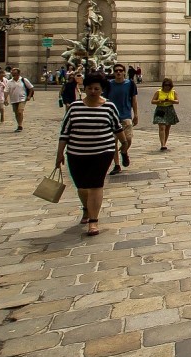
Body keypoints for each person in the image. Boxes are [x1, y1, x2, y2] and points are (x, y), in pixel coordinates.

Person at [56, 73, 125, 236]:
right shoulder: (74, 107)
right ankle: (86, 208)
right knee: (81, 186)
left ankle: (93, 221)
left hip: (103, 152)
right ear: (84, 88)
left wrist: (125, 143)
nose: (93, 91)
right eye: (90, 88)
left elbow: (117, 127)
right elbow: (65, 132)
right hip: (76, 153)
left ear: (102, 90)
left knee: (95, 184)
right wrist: (59, 154)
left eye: (97, 88)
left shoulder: (109, 106)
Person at [105, 64, 139, 174]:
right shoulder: (109, 85)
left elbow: (134, 100)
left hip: (126, 116)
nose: (118, 72)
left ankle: (124, 152)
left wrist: (136, 114)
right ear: (114, 73)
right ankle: (117, 165)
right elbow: (104, 100)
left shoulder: (130, 84)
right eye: (116, 71)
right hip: (112, 117)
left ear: (124, 72)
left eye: (120, 70)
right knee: (113, 142)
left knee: (128, 139)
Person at [150, 78, 179, 152]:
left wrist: (171, 100)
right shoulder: (158, 92)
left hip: (170, 109)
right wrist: (159, 101)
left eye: (169, 85)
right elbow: (152, 101)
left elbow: (177, 101)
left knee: (167, 128)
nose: (167, 87)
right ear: (163, 85)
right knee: (162, 127)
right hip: (160, 109)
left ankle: (164, 143)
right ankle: (162, 144)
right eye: (166, 85)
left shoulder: (173, 92)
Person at [5, 67, 34, 132]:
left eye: (15, 74)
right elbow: (6, 91)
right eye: (12, 74)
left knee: (20, 111)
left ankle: (20, 125)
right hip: (13, 99)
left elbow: (31, 88)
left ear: (18, 74)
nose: (13, 75)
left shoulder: (24, 80)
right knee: (16, 113)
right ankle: (18, 124)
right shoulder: (9, 82)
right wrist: (5, 99)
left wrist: (29, 96)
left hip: (22, 98)